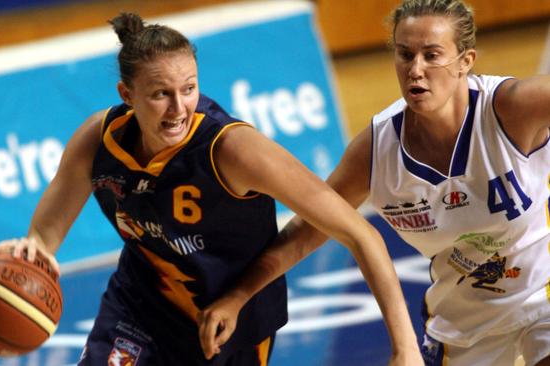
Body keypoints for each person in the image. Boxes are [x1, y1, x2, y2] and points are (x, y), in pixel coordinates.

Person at [0, 12, 422, 366]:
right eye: (161, 94)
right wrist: (30, 254)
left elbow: (360, 233)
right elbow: (43, 240)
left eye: (189, 89)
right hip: (141, 305)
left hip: (229, 324)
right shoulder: (97, 141)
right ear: (127, 94)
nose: (179, 108)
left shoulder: (233, 150)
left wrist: (405, 349)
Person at [198, 0, 550, 365]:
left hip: (543, 295)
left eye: (432, 55)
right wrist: (238, 295)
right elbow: (308, 230)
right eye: (405, 54)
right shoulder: (376, 150)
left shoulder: (512, 108)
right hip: (463, 321)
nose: (416, 69)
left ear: (466, 61)